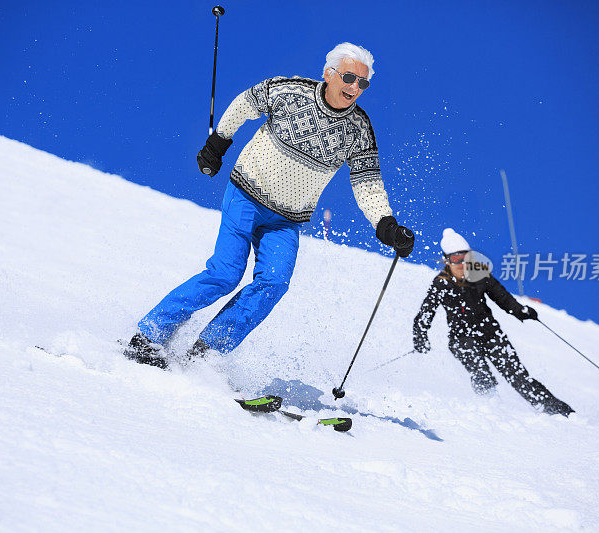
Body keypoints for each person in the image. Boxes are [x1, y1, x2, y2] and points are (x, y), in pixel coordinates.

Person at [125, 42, 415, 368]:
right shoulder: (290, 92)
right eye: (349, 77)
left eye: (363, 83)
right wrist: (219, 141)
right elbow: (244, 104)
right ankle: (149, 335)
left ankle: (203, 356)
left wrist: (385, 224)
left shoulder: (358, 129)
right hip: (246, 195)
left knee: (273, 283)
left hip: (286, 220)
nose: (354, 88)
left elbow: (368, 184)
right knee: (225, 274)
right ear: (328, 74)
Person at [413, 228, 574, 416]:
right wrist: (420, 336)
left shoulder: (479, 274)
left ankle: (560, 412)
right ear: (447, 260)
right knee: (481, 372)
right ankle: (490, 410)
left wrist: (521, 311)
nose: (462, 263)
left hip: (491, 334)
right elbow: (425, 313)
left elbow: (503, 298)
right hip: (461, 338)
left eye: (466, 257)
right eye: (456, 259)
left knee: (518, 376)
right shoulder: (441, 283)